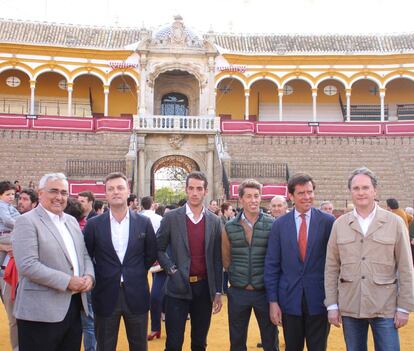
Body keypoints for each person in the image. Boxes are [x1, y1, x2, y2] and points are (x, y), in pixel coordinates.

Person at [325, 167, 414, 351]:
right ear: (350, 192)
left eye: (365, 188)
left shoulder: (395, 223)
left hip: (385, 306)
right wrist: (332, 304)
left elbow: (406, 267)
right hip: (351, 305)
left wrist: (404, 307)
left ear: (375, 190)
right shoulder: (339, 224)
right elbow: (331, 267)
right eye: (356, 188)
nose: (361, 192)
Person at [12, 172, 94, 351]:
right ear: (40, 193)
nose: (59, 197)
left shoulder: (71, 221)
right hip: (39, 313)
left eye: (64, 193)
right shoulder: (26, 221)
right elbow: (28, 265)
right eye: (54, 191)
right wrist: (68, 281)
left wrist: (89, 276)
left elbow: (84, 255)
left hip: (72, 308)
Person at [84, 172, 157, 351]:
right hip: (105, 294)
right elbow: (87, 255)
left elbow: (150, 254)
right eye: (111, 189)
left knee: (139, 345)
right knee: (105, 346)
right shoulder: (93, 225)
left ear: (128, 191)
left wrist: (135, 272)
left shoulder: (143, 222)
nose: (116, 192)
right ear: (105, 193)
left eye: (120, 188)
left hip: (137, 293)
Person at [264, 173, 335, 351]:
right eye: (301, 193)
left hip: (319, 300)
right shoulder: (279, 225)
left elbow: (335, 264)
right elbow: (272, 265)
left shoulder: (328, 222)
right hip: (289, 300)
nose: (307, 197)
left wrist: (334, 301)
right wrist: (273, 301)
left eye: (310, 192)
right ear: (291, 196)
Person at [157, 171, 223, 351]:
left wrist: (218, 290)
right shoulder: (171, 218)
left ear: (205, 191)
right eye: (191, 188)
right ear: (186, 190)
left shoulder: (215, 221)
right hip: (177, 288)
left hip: (203, 289)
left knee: (199, 343)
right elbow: (158, 248)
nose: (195, 193)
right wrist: (171, 270)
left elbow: (217, 258)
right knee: (173, 343)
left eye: (199, 189)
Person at [222, 179, 278, 351]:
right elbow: (226, 259)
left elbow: (276, 258)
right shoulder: (229, 227)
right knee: (237, 341)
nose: (253, 200)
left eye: (256, 196)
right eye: (249, 196)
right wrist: (238, 276)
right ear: (240, 199)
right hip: (238, 291)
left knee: (270, 339)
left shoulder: (272, 224)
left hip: (264, 292)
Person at [0, 180, 20, 351]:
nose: (12, 197)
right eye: (8, 194)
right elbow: (9, 220)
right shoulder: (2, 207)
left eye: (13, 194)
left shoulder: (11, 207)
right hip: (4, 237)